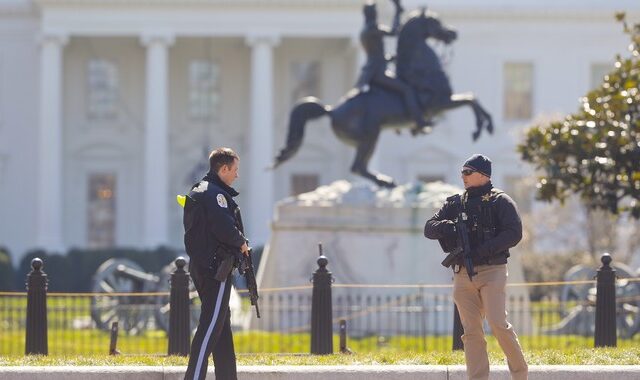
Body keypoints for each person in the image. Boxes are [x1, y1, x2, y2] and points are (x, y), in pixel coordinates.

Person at [424, 154, 528, 380]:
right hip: (462, 274)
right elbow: (428, 228)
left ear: (483, 175)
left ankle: (520, 374)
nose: (463, 176)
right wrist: (447, 227)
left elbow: (514, 233)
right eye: (462, 172)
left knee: (498, 323)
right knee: (471, 332)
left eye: (468, 172)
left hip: (492, 271)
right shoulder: (455, 203)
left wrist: (483, 250)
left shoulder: (501, 201)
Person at [183, 147, 248, 380]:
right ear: (223, 169)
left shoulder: (200, 189)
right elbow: (224, 227)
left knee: (221, 326)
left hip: (202, 267)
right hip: (216, 270)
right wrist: (242, 243)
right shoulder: (216, 195)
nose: (237, 175)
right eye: (235, 170)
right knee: (210, 326)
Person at [355, 0, 429, 130]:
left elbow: (375, 55)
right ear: (372, 14)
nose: (375, 15)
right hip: (378, 73)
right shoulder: (372, 29)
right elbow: (394, 32)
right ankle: (418, 121)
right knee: (407, 90)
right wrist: (398, 11)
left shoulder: (364, 32)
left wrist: (390, 58)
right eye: (374, 12)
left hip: (373, 71)